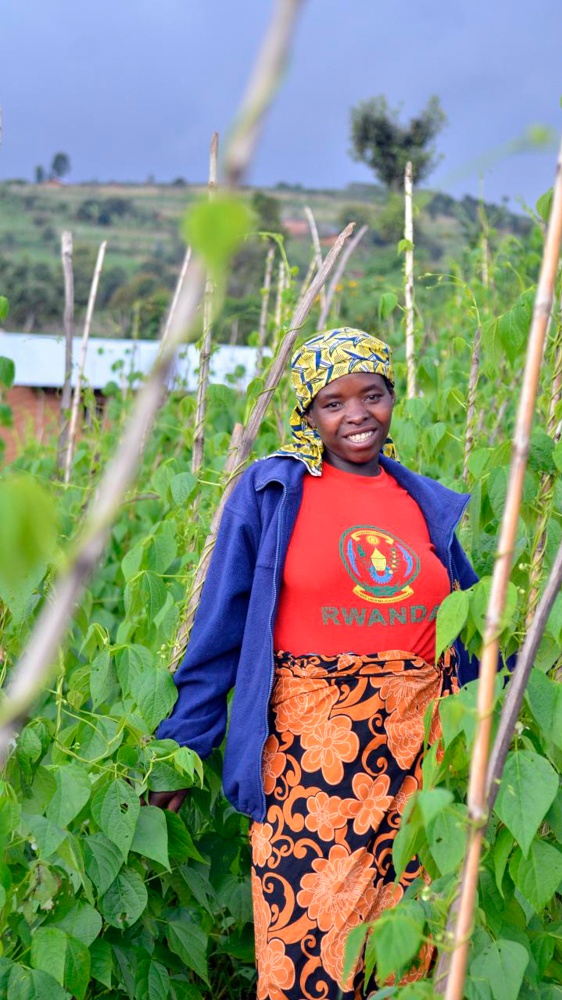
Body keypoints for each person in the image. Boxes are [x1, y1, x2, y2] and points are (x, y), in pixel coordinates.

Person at [154, 328, 479, 1000]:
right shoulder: (274, 491)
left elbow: (468, 629)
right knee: (312, 946)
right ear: (307, 414)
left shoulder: (422, 502)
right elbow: (221, 627)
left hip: (424, 753)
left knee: (412, 943)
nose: (356, 413)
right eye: (332, 402)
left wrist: (487, 741)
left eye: (372, 394)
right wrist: (183, 744)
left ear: (393, 400)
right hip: (310, 759)